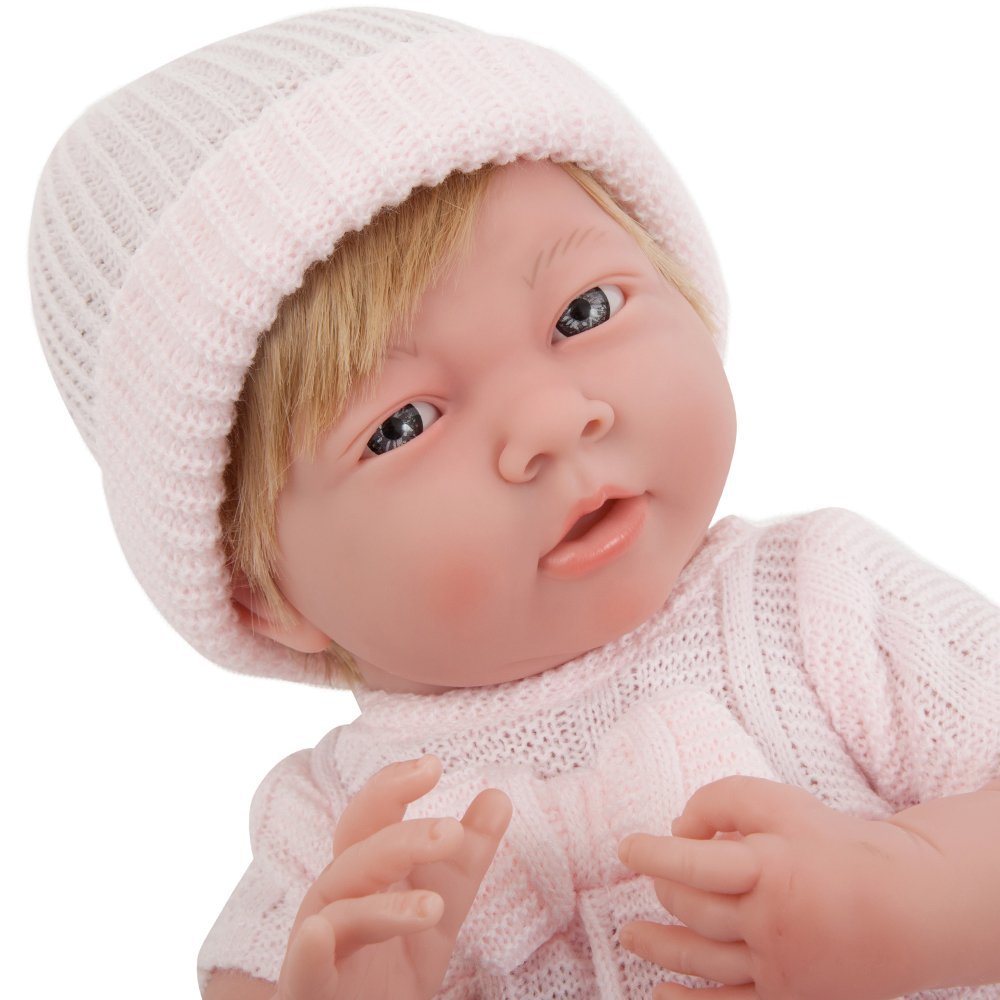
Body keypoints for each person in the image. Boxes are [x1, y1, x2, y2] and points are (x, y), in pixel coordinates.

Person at [27, 7, 1000, 999]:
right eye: (402, 423)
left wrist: (907, 901)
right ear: (260, 592)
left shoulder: (819, 607)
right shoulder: (330, 835)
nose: (550, 417)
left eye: (584, 311)